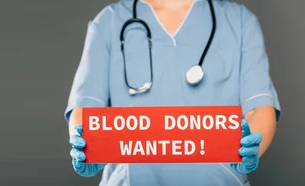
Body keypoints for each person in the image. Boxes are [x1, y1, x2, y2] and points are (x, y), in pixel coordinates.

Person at [64, 0, 281, 185]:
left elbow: (259, 108)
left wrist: (249, 146)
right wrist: (87, 145)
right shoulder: (109, 21)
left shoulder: (240, 21)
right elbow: (85, 108)